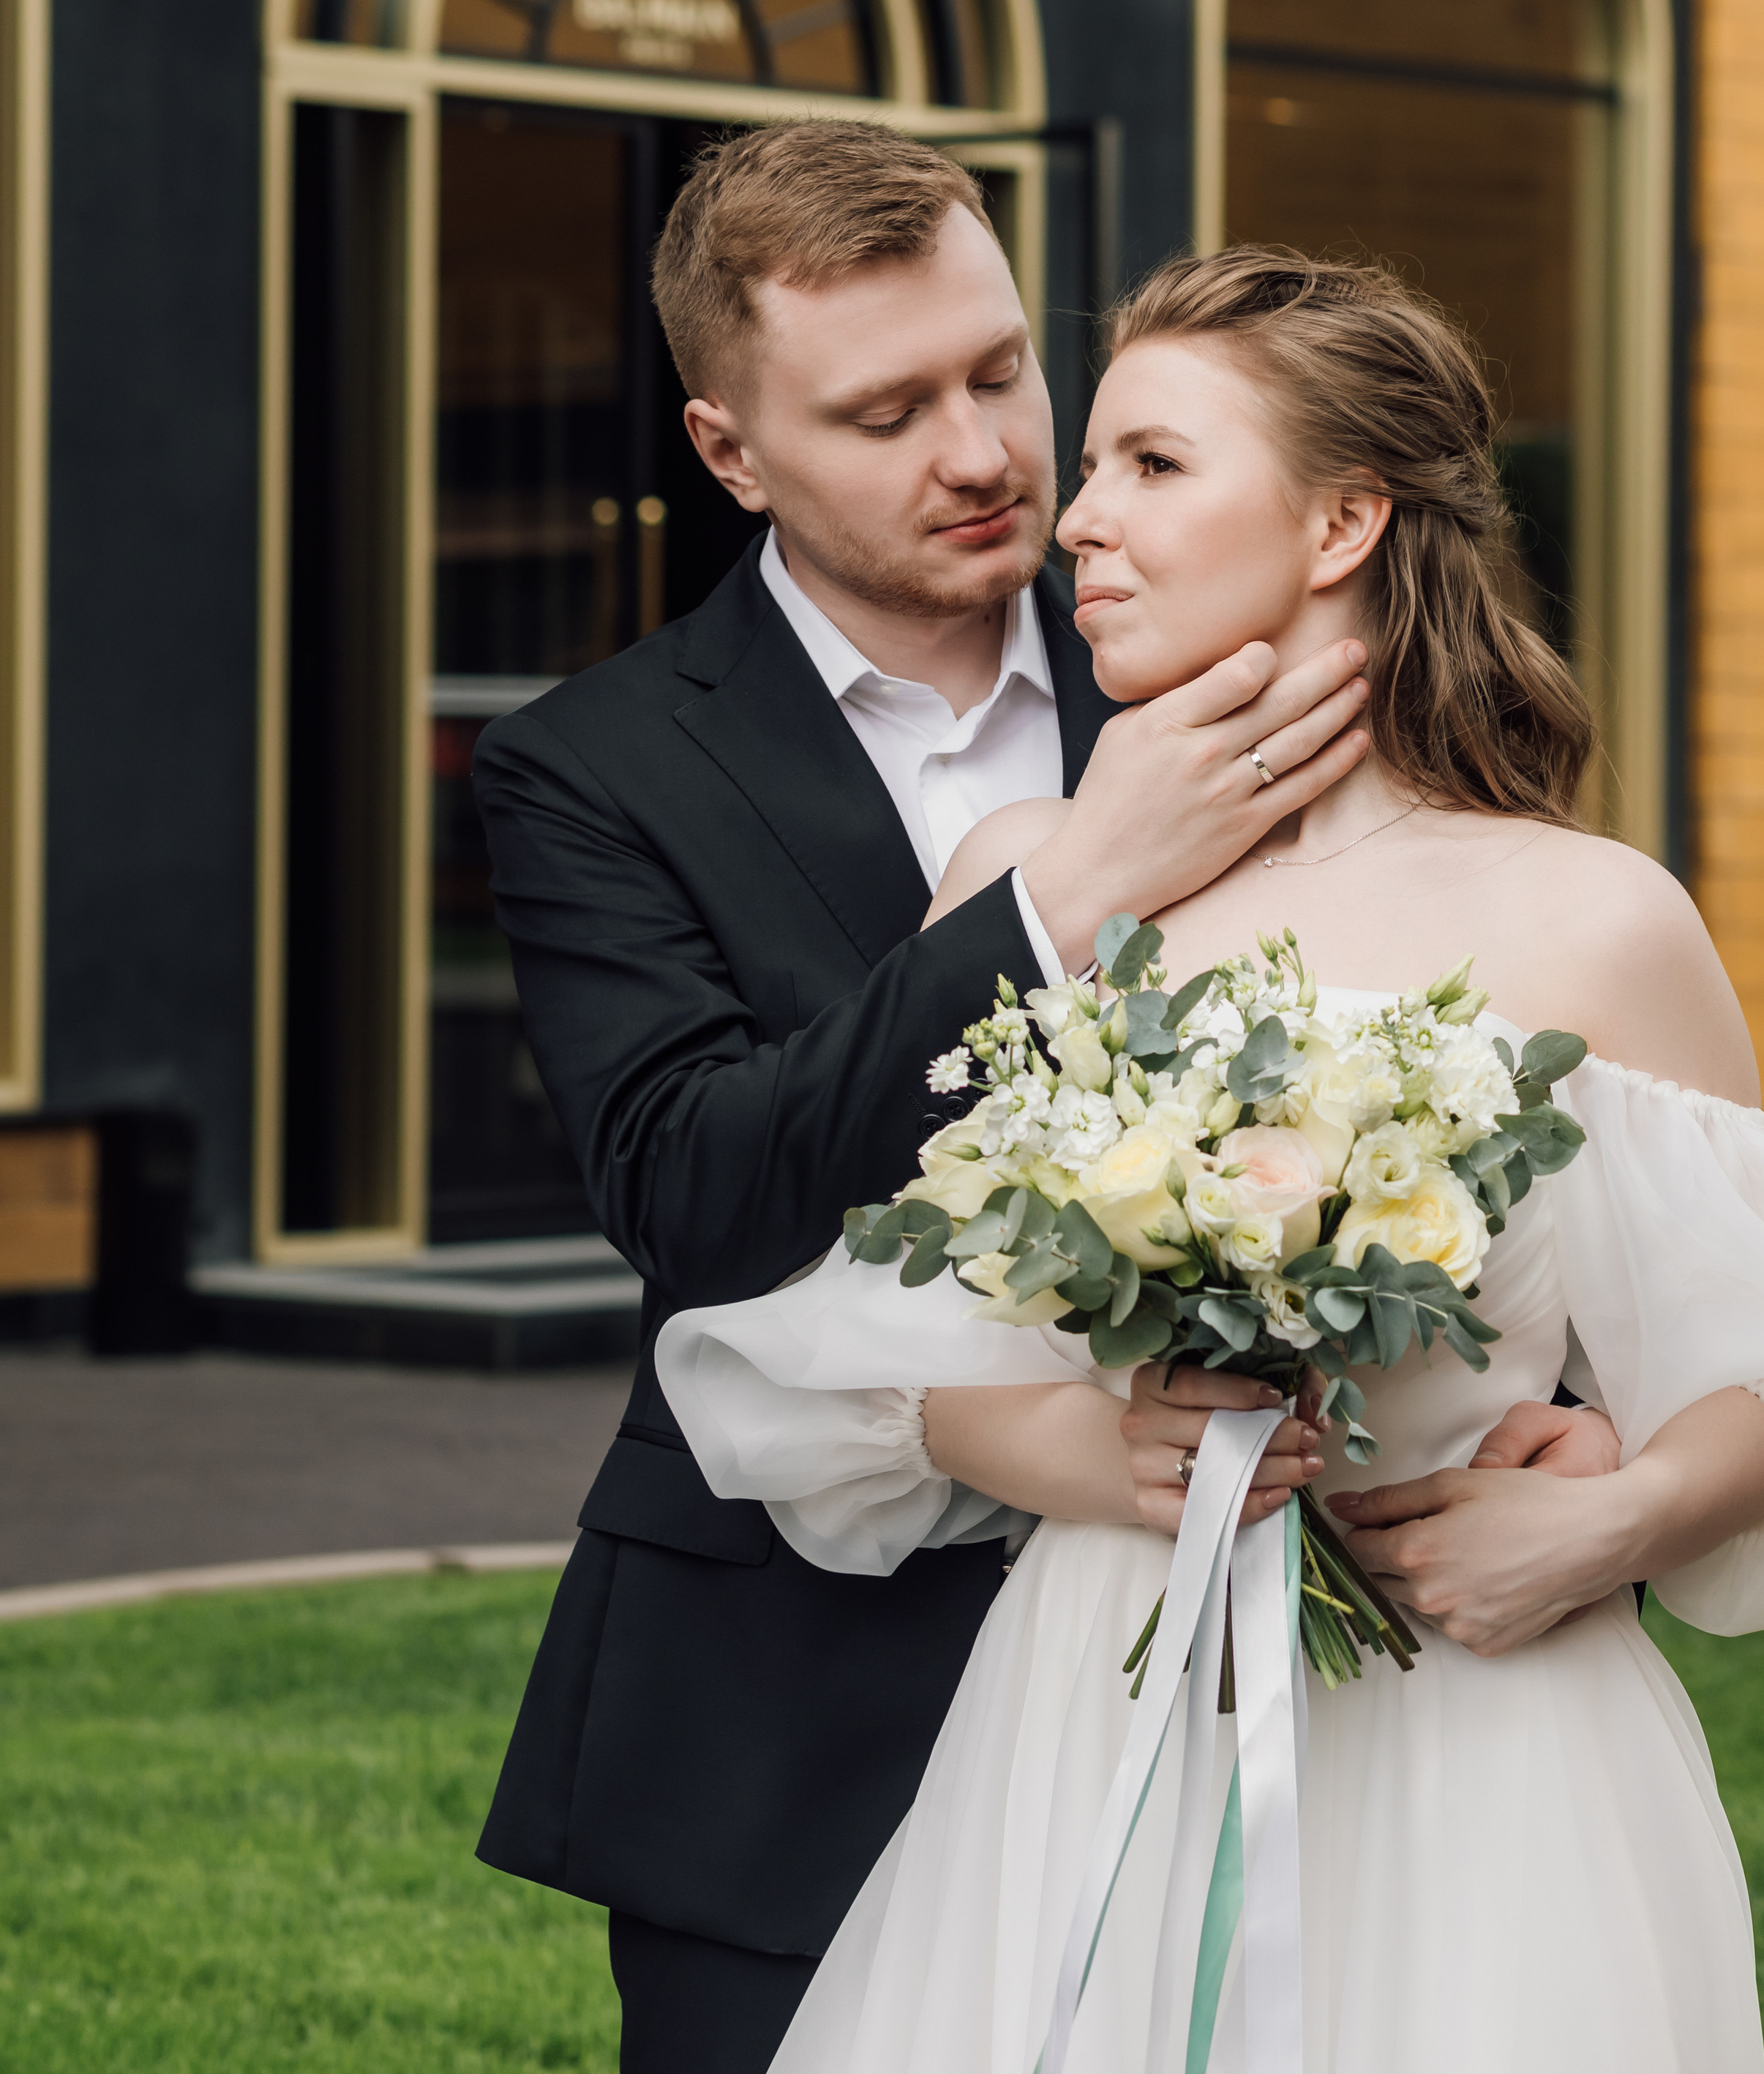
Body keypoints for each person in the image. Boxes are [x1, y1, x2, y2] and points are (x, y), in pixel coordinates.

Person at [658, 247, 1764, 2071]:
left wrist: (1610, 1517)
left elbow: (1743, 1364)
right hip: (1096, 1700)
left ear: (1340, 522)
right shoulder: (1043, 874)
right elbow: (868, 1365)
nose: (1073, 519)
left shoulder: (1595, 921)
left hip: (1481, 1729)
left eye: (1150, 466)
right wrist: (1095, 1447)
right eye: (1087, 467)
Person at [470, 128, 1407, 2074]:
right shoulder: (593, 768)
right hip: (782, 1713)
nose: (982, 455)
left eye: (997, 373)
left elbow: (1435, 1033)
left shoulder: (1216, 640)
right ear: (731, 452)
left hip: (1260, 1672)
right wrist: (1065, 891)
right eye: (885, 410)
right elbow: (694, 1186)